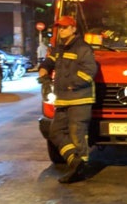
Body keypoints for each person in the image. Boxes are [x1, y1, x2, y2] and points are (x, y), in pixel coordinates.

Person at [38, 16, 97, 184]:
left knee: (77, 135)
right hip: (63, 100)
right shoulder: (60, 48)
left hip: (79, 99)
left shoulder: (83, 48)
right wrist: (43, 71)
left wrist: (70, 84)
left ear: (73, 29)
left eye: (64, 27)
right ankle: (75, 161)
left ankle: (80, 170)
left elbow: (89, 71)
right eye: (60, 28)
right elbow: (49, 61)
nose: (61, 30)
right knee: (55, 132)